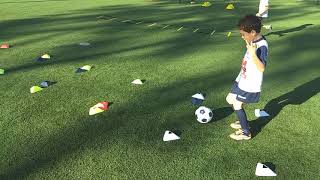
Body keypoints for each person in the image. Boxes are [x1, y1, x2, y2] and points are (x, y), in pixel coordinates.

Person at [226, 15, 269, 140]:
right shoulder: (254, 39)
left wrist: (252, 53)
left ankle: (246, 133)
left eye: (244, 34)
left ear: (253, 32)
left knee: (237, 104)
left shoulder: (261, 46)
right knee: (230, 99)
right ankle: (242, 119)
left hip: (250, 84)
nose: (242, 36)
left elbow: (261, 68)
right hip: (242, 78)